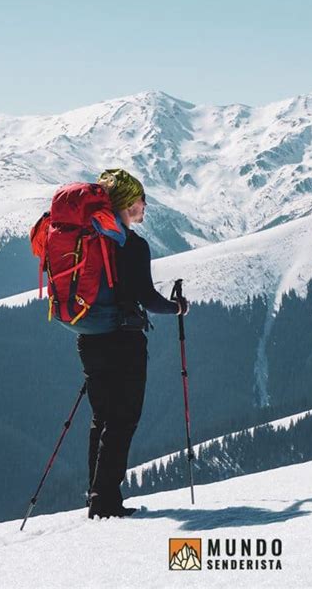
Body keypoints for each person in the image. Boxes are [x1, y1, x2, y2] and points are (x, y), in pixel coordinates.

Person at [75, 168, 188, 519]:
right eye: (140, 200)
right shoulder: (132, 245)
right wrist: (177, 308)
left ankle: (95, 495)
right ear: (125, 203)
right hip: (123, 340)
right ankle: (106, 501)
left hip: (89, 337)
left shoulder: (89, 239)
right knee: (123, 418)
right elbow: (147, 298)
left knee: (102, 417)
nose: (144, 207)